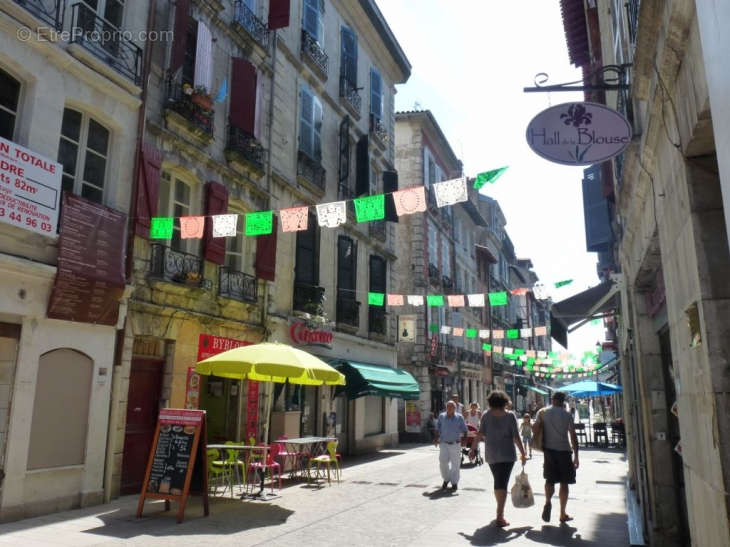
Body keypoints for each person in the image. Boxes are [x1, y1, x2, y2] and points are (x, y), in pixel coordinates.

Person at [471, 391, 527, 528]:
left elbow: (479, 434)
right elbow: (516, 437)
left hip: (492, 455)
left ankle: (499, 510)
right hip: (507, 455)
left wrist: (473, 449)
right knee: (502, 483)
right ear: (504, 402)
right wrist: (523, 453)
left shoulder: (485, 415)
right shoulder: (510, 416)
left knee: (498, 481)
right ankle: (500, 515)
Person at [535, 391, 580, 523]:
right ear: (563, 401)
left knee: (549, 480)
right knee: (564, 483)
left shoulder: (543, 413)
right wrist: (576, 456)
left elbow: (535, 429)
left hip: (549, 451)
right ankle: (562, 513)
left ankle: (548, 501)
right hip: (564, 451)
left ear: (552, 399)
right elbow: (573, 437)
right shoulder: (567, 415)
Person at [434, 400, 467, 491]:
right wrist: (436, 439)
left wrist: (464, 440)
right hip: (443, 443)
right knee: (442, 462)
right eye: (448, 406)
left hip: (455, 443)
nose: (449, 408)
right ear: (446, 407)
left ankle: (454, 482)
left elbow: (464, 430)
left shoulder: (459, 417)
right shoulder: (441, 416)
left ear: (455, 408)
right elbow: (437, 428)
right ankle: (446, 478)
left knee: (455, 464)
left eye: (451, 407)